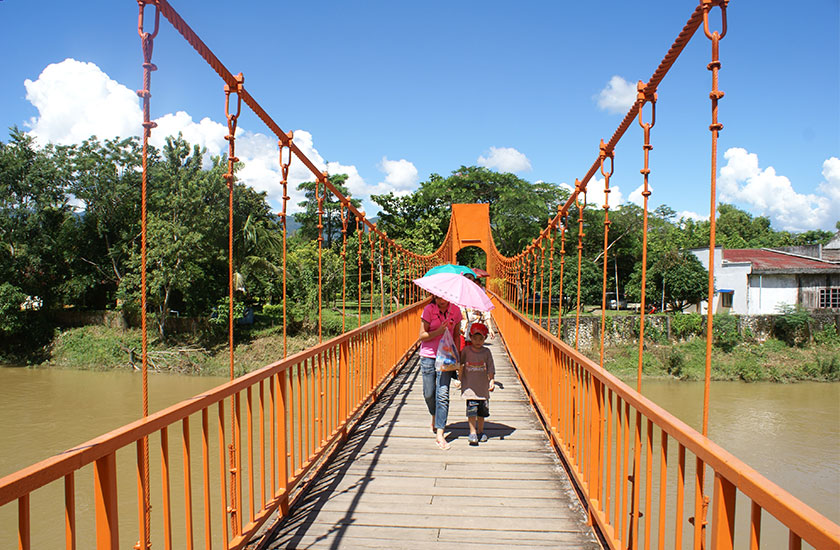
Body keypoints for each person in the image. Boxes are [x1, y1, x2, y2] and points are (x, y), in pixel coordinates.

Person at [419, 294, 462, 450]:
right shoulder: (429, 310)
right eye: (437, 298)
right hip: (428, 356)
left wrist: (458, 358)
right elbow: (422, 336)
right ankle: (434, 416)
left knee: (443, 394)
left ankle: (440, 434)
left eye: (444, 298)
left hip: (446, 357)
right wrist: (438, 331)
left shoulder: (455, 311)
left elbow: (456, 335)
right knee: (429, 394)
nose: (441, 301)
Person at [458, 322, 495, 446]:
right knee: (471, 410)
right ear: (470, 337)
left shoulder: (486, 352)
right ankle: (472, 432)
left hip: (482, 388)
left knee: (482, 412)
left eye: (481, 338)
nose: (478, 341)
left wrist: (492, 380)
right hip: (470, 387)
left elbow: (490, 367)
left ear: (485, 338)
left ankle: (480, 431)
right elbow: (460, 364)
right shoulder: (466, 351)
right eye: (475, 338)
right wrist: (459, 378)